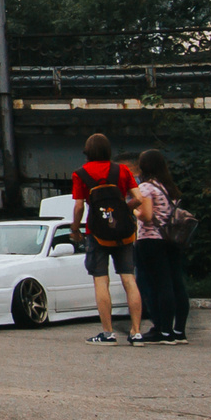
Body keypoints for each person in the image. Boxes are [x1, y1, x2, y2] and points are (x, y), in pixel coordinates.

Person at [69, 133, 143, 345]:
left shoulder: (81, 174)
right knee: (129, 278)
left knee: (101, 280)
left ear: (87, 152)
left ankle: (108, 333)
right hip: (124, 233)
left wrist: (75, 229)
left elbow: (79, 205)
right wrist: (121, 209)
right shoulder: (122, 170)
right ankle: (136, 332)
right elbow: (138, 198)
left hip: (97, 233)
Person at [131, 147, 188, 343]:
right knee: (176, 283)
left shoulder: (146, 188)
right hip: (170, 239)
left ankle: (164, 331)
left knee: (159, 285)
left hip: (151, 239)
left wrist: (134, 212)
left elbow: (146, 215)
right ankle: (179, 331)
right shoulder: (168, 187)